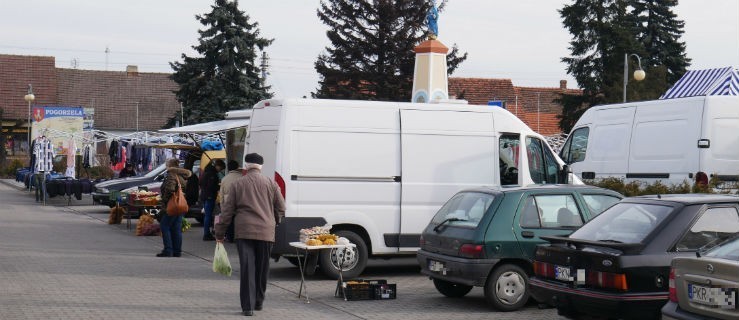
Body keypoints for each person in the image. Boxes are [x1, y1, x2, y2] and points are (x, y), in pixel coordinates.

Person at [215, 153, 285, 316]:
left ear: (246, 166)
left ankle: (247, 307)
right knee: (262, 268)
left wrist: (220, 233)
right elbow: (281, 207)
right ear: (261, 167)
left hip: (244, 232)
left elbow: (227, 212)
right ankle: (259, 301)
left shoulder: (238, 184)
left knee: (247, 269)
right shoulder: (271, 183)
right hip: (266, 232)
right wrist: (274, 221)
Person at [157, 158, 192, 257]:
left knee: (165, 225)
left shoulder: (171, 174)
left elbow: (170, 189)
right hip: (180, 205)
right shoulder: (181, 176)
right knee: (176, 228)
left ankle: (168, 250)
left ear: (170, 165)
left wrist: (164, 200)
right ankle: (177, 251)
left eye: (167, 164)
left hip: (172, 205)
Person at [200, 159, 226, 241]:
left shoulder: (206, 171)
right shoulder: (212, 174)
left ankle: (207, 232)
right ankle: (206, 234)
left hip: (204, 196)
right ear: (217, 166)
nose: (220, 170)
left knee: (207, 215)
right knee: (208, 215)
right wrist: (219, 186)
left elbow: (201, 184)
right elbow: (211, 186)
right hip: (209, 196)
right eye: (221, 168)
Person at [218, 160, 242, 242]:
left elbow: (221, 194)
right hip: (239, 201)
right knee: (238, 219)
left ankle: (230, 237)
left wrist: (222, 205)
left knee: (229, 220)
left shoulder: (224, 178)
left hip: (227, 201)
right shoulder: (242, 177)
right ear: (237, 167)